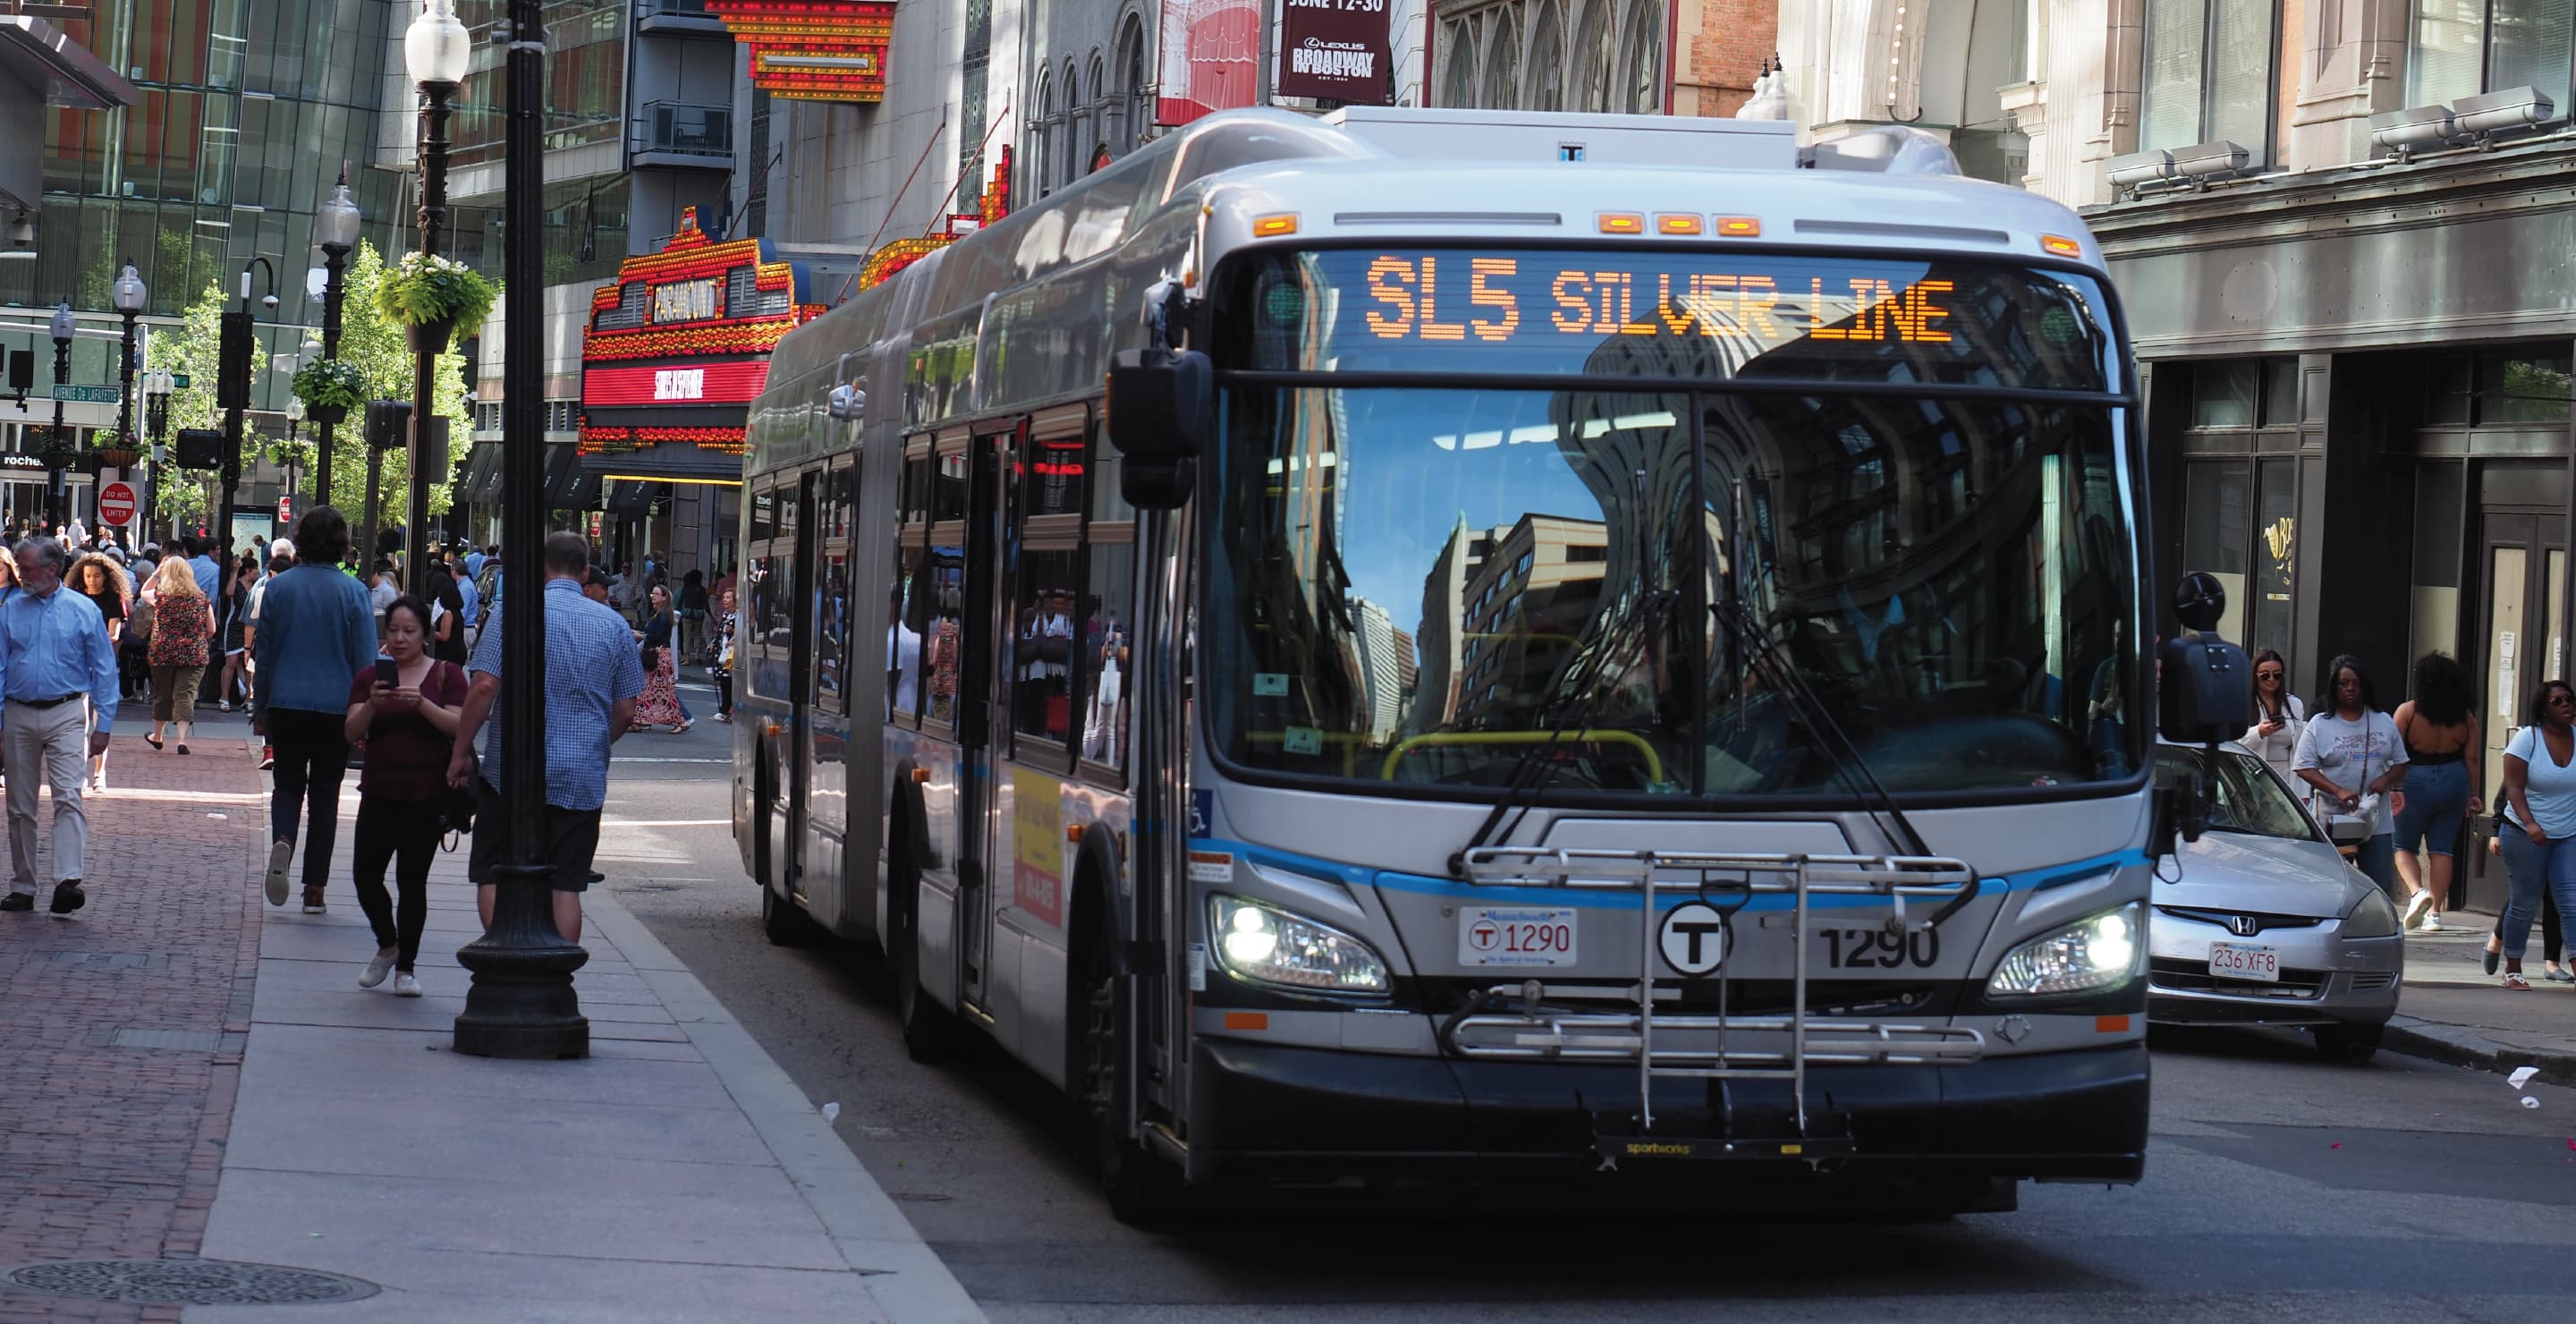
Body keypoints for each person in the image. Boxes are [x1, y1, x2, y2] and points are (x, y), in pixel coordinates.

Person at [450, 530, 644, 943]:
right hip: (580, 775)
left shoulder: (512, 613)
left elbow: (483, 687)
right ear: (586, 570)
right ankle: (559, 971)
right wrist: (594, 743)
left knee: (492, 870)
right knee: (567, 885)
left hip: (512, 772)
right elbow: (626, 710)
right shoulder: (614, 626)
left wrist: (460, 751)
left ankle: (505, 950)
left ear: (542, 568)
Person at [251, 506, 378, 915]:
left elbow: (265, 653)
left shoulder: (280, 588)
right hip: (336, 708)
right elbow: (365, 663)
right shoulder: (354, 591)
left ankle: (284, 839)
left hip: (286, 701)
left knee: (287, 785)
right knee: (326, 795)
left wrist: (261, 703)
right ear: (342, 543)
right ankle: (315, 888)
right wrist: (365, 714)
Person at [343, 596, 464, 997]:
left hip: (426, 794)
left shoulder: (447, 674)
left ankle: (406, 968)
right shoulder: (370, 677)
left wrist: (423, 704)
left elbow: (459, 726)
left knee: (412, 881)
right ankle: (387, 943)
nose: (399, 639)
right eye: (393, 630)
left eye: (408, 631)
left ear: (425, 634)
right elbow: (350, 731)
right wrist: (373, 705)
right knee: (365, 876)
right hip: (379, 790)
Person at [0, 537, 117, 916]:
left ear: (52, 569)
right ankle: (24, 885)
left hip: (67, 710)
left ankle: (68, 880)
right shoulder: (9, 609)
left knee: (69, 794)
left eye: (28, 569)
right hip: (18, 711)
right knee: (20, 805)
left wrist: (104, 724)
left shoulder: (83, 610)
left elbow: (103, 668)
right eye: (19, 568)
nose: (22, 575)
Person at [2292, 655, 2409, 898]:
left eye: (2355, 683)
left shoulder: (2383, 721)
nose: (2350, 689)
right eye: (2343, 683)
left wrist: (2385, 781)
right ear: (2333, 688)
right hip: (2332, 820)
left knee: (2379, 888)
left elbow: (2401, 763)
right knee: (2334, 889)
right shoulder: (2320, 724)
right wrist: (2338, 790)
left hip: (2375, 820)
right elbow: (2303, 767)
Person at [2496, 677, 2576, 989]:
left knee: (2570, 901)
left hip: (2567, 833)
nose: (2566, 705)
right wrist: (2530, 824)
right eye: (2557, 701)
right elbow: (2513, 788)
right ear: (2543, 709)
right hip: (2523, 831)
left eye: (2569, 699)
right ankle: (2513, 967)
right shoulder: (2527, 739)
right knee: (2525, 902)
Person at [2391, 652, 2479, 933]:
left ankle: (2418, 892)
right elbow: (2473, 759)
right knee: (2442, 848)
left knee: (2403, 845)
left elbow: (2393, 752)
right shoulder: (2465, 718)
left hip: (2414, 779)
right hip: (2455, 780)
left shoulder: (2409, 711)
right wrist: (2474, 794)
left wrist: (2393, 787)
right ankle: (2436, 914)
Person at [141, 555, 215, 756]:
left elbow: (143, 591)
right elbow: (212, 629)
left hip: (163, 652)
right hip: (193, 653)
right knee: (186, 695)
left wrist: (157, 572)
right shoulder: (201, 598)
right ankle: (181, 740)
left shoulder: (160, 596)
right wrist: (196, 638)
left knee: (162, 694)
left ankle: (157, 736)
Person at [70, 553, 131, 791]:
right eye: (87, 576)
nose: (92, 581)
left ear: (106, 576)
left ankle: (99, 772)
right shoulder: (75, 597)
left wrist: (91, 643)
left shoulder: (113, 599)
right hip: (78, 665)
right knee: (79, 722)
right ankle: (81, 773)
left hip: (103, 664)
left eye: (96, 576)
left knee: (100, 720)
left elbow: (113, 633)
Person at [244, 541, 293, 771]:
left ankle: (269, 748)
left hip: (267, 651)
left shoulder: (264, 589)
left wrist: (247, 650)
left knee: (265, 698)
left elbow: (253, 624)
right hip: (290, 654)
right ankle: (278, 748)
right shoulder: (298, 590)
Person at [628, 585, 693, 733]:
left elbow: (653, 637)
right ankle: (639, 721)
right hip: (657, 655)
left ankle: (681, 721)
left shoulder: (663, 615)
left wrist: (639, 636)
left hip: (659, 656)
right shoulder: (658, 613)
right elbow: (650, 633)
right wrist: (639, 633)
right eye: (652, 593)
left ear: (664, 597)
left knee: (663, 692)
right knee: (648, 691)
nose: (652, 596)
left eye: (656, 594)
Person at [2239, 649, 2305, 784]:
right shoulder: (2242, 703)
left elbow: (2301, 748)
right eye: (2265, 675)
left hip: (2287, 777)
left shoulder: (2294, 705)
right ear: (2255, 676)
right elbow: (2232, 742)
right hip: (2251, 776)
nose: (2271, 679)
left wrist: (2302, 790)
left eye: (2277, 675)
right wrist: (2258, 732)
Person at [216, 552, 257, 711]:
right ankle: (224, 697)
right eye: (255, 570)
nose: (257, 573)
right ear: (248, 570)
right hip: (235, 625)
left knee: (249, 664)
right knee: (231, 662)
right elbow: (229, 592)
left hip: (250, 626)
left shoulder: (256, 585)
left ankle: (248, 698)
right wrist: (234, 572)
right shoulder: (239, 583)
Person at [425, 560, 469, 666]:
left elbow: (444, 636)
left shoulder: (448, 613)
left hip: (449, 654)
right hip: (457, 651)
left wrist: (428, 632)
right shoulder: (457, 612)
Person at [713, 587, 736, 724]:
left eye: (728, 597)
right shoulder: (726, 614)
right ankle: (725, 708)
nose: (725, 600)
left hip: (733, 653)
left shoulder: (739, 615)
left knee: (728, 679)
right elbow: (720, 632)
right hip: (724, 651)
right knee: (723, 679)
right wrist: (713, 643)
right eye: (724, 597)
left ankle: (728, 709)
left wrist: (734, 631)